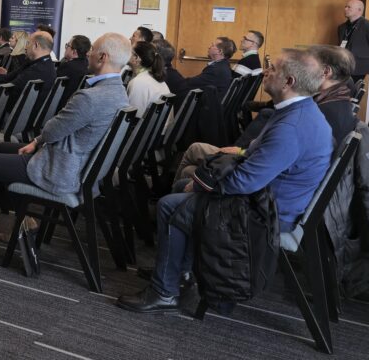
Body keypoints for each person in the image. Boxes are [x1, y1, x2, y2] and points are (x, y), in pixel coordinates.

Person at [117, 48, 332, 313]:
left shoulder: (291, 126)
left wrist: (200, 185)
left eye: (273, 68)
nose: (266, 72)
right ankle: (179, 273)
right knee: (180, 188)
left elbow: (245, 181)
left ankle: (164, 292)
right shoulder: (298, 112)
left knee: (170, 206)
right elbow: (256, 157)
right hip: (268, 201)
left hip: (266, 214)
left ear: (289, 82)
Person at [0, 33, 131, 261]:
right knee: (2, 148)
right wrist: (36, 141)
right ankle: (25, 219)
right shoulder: (119, 93)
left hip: (61, 171)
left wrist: (40, 140)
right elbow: (55, 130)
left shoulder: (91, 97)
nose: (88, 54)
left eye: (93, 50)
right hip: (78, 166)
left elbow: (52, 130)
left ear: (102, 57)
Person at [0, 31, 56, 128]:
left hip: (14, 117)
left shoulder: (37, 70)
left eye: (28, 43)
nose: (25, 47)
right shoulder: (43, 65)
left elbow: (8, 89)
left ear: (36, 45)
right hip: (17, 111)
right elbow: (7, 77)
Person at [126, 42, 170, 117]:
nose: (124, 53)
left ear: (136, 58)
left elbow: (132, 118)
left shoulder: (138, 83)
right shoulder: (155, 79)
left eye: (128, 51)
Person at [338, 0, 369, 82]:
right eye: (345, 6)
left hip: (359, 69)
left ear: (359, 10)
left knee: (351, 89)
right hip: (342, 65)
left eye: (349, 7)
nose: (345, 9)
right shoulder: (341, 27)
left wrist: (365, 64)